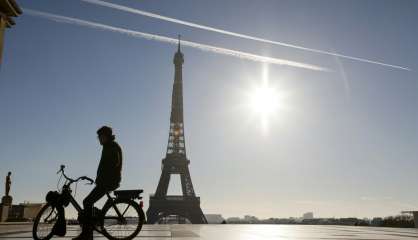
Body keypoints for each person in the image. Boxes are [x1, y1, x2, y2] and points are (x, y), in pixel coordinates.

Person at [73, 126, 123, 240]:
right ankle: (89, 230)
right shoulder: (108, 146)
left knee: (87, 202)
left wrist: (102, 178)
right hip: (106, 181)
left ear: (106, 136)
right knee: (88, 202)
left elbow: (113, 164)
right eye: (98, 137)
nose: (99, 139)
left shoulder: (112, 147)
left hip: (108, 181)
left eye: (101, 136)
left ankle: (87, 234)